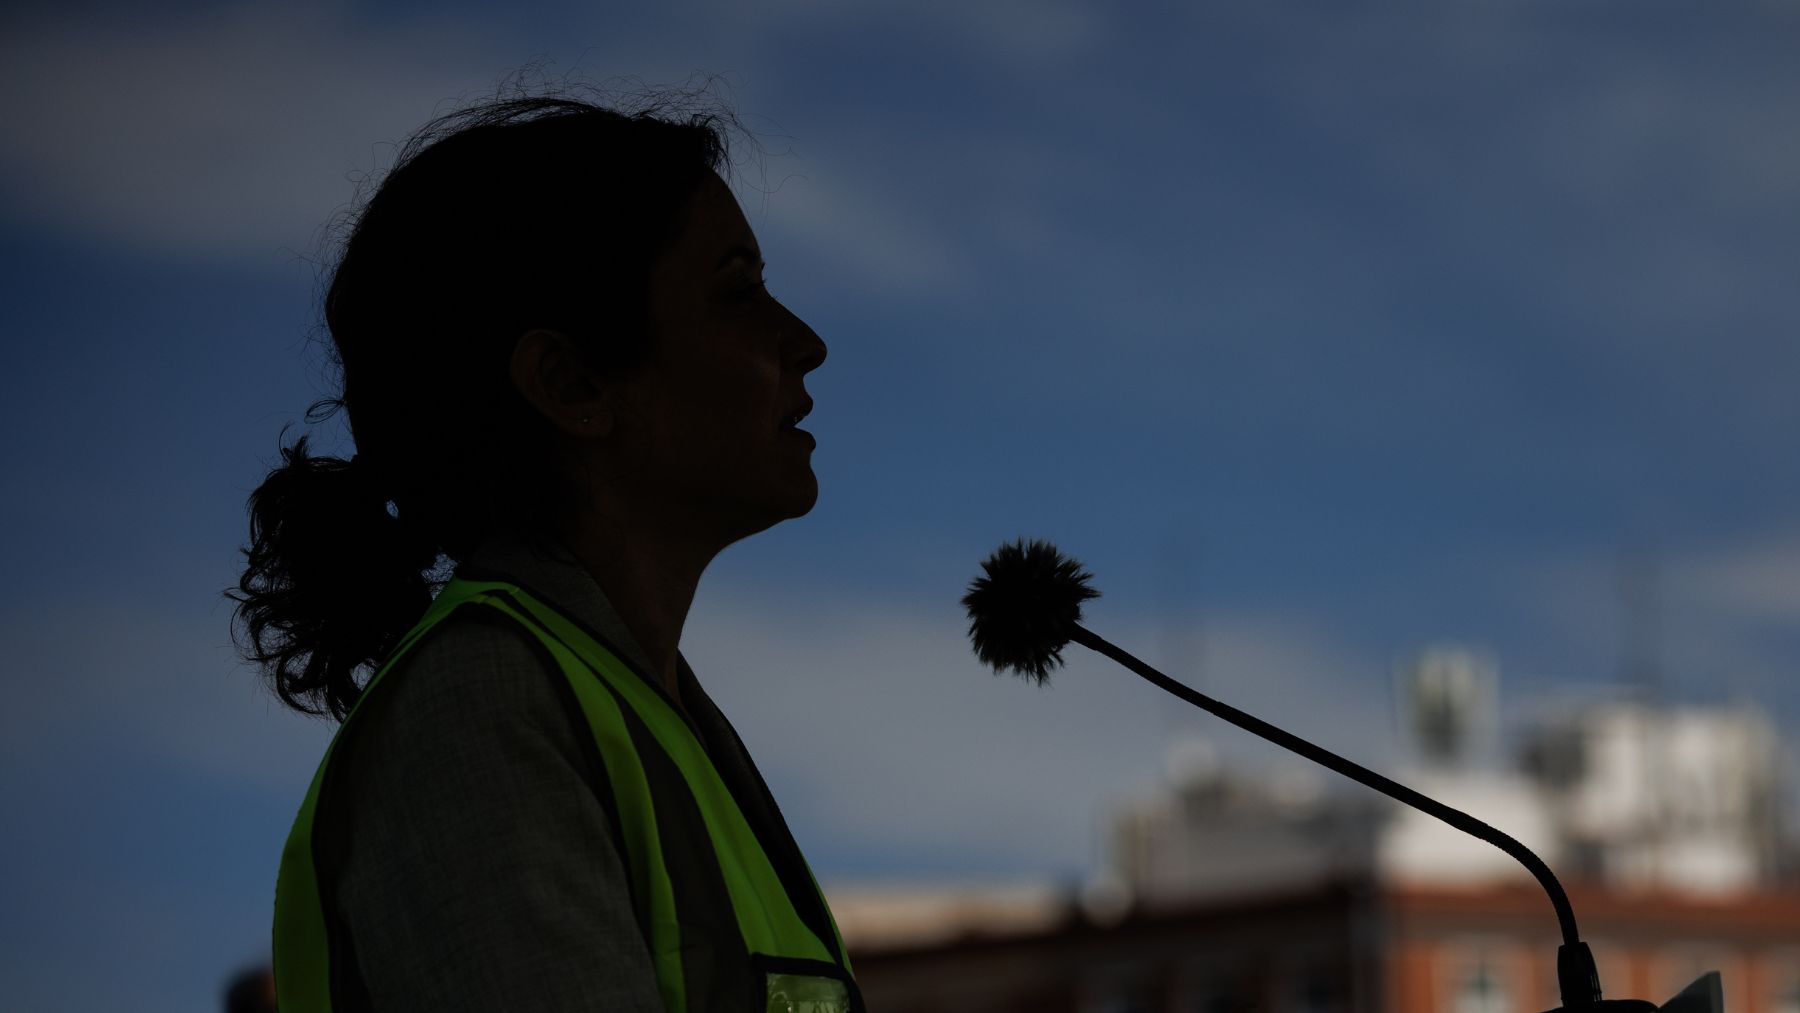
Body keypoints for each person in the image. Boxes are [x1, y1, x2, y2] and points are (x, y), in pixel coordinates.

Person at [229, 92, 855, 1012]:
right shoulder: (480, 706)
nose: (806, 342)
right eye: (737, 291)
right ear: (568, 382)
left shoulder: (640, 719)